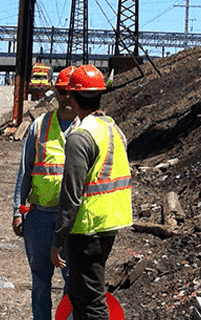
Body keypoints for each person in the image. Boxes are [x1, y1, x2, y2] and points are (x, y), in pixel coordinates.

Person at [49, 65, 132, 320]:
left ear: (73, 99)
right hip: (109, 223)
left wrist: (57, 240)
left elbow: (71, 194)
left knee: (92, 301)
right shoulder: (113, 129)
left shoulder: (81, 137)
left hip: (87, 229)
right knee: (79, 293)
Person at [13, 65, 78, 320]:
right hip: (39, 217)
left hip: (72, 219)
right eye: (63, 92)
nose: (67, 98)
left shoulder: (86, 128)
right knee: (40, 280)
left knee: (72, 280)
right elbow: (24, 173)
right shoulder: (39, 126)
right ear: (56, 92)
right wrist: (17, 212)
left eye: (73, 93)